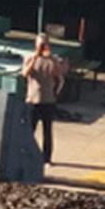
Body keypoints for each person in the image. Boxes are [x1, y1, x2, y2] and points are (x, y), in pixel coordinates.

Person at [20, 33, 66, 163]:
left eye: (44, 44)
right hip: (32, 100)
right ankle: (25, 154)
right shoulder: (29, 58)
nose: (42, 46)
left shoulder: (52, 60)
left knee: (47, 131)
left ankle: (47, 158)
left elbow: (60, 76)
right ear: (35, 44)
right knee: (29, 130)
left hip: (48, 100)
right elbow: (25, 73)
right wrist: (35, 57)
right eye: (40, 44)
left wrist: (51, 58)